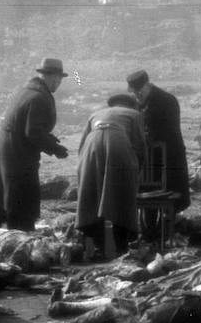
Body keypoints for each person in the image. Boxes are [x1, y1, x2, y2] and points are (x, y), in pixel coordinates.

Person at [0, 58, 70, 231]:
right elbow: (33, 132)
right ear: (53, 77)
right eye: (59, 78)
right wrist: (55, 149)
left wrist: (50, 140)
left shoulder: (26, 91)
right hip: (18, 156)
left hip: (6, 151)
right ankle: (20, 244)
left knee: (2, 203)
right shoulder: (39, 97)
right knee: (21, 209)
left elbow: (26, 125)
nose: (59, 83)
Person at [75, 93, 147, 256]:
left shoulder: (95, 114)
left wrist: (84, 169)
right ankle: (120, 247)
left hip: (91, 145)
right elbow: (140, 147)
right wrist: (136, 174)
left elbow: (81, 147)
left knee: (92, 195)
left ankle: (95, 247)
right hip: (117, 143)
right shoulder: (135, 115)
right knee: (120, 196)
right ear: (131, 105)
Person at [127, 68, 190, 212]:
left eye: (139, 91)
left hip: (169, 156)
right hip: (150, 160)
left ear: (148, 85)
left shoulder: (166, 100)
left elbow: (167, 133)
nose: (137, 95)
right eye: (134, 92)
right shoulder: (139, 102)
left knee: (171, 198)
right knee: (147, 198)